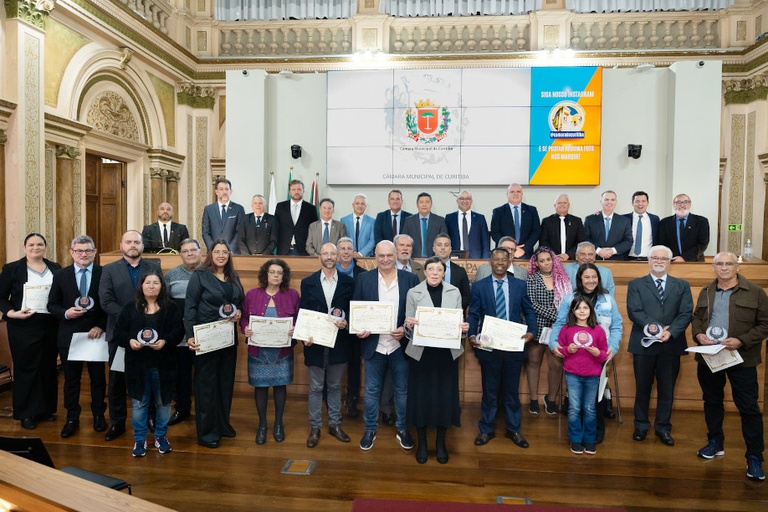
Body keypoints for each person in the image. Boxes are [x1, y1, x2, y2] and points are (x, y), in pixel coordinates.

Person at [691, 251, 768, 481]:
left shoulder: (755, 292)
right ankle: (715, 443)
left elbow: (765, 324)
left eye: (729, 264)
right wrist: (698, 335)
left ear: (737, 267)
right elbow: (697, 318)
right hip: (710, 357)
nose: (724, 267)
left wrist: (741, 340)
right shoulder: (706, 292)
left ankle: (754, 456)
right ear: (713, 267)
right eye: (719, 264)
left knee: (749, 407)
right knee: (712, 402)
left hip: (741, 358)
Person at [353, 240, 420, 451]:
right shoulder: (364, 279)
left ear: (397, 255)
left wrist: (405, 329)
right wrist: (360, 329)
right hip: (374, 345)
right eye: (381, 256)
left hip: (400, 345)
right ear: (375, 257)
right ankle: (370, 428)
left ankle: (402, 428)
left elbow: (417, 313)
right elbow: (357, 309)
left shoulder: (410, 279)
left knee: (402, 391)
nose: (385, 260)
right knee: (372, 391)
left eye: (389, 255)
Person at [468, 248, 537, 448]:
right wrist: (472, 335)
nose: (499, 262)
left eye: (503, 259)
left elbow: (529, 312)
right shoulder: (479, 286)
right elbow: (473, 314)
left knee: (511, 392)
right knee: (489, 391)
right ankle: (486, 429)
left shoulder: (520, 286)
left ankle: (514, 429)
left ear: (509, 262)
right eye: (496, 258)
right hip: (489, 347)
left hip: (514, 347)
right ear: (490, 261)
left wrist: (532, 332)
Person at [403, 256, 469, 464]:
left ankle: (441, 443)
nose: (434, 273)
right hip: (421, 354)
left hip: (446, 354)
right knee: (421, 398)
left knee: (444, 399)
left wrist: (464, 329)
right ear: (424, 272)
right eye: (430, 269)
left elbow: (459, 326)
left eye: (438, 269)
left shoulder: (454, 292)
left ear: (443, 273)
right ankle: (422, 443)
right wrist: (409, 325)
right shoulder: (413, 293)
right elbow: (406, 330)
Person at [627, 245, 692, 446]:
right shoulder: (636, 284)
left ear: (669, 262)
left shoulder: (682, 285)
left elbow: (686, 313)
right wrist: (655, 329)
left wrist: (670, 332)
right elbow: (634, 311)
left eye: (664, 258)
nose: (659, 261)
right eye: (655, 257)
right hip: (644, 345)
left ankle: (663, 428)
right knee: (643, 388)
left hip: (671, 344)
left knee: (667, 389)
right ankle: (641, 425)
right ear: (648, 260)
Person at [550, 263, 623, 443]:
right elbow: (559, 324)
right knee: (576, 400)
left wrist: (612, 348)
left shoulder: (608, 299)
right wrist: (554, 344)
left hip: (600, 355)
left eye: (594, 277)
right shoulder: (569, 299)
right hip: (575, 357)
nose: (591, 281)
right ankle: (576, 434)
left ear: (598, 279)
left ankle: (595, 432)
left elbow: (616, 326)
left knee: (596, 397)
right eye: (587, 277)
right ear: (580, 279)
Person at [99, 230, 161, 442]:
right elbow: (106, 301)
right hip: (120, 333)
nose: (132, 245)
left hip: (150, 332)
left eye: (137, 242)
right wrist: (131, 319)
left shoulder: (154, 267)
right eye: (128, 242)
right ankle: (117, 422)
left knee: (150, 377)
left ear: (142, 246)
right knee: (117, 381)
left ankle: (151, 418)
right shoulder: (108, 270)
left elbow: (161, 295)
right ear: (121, 244)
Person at [114, 269, 183, 457]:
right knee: (139, 403)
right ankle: (140, 439)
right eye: (147, 283)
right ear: (141, 286)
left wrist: (165, 341)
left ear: (162, 287)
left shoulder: (172, 308)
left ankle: (161, 436)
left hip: (164, 365)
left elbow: (178, 331)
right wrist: (129, 341)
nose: (151, 286)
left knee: (163, 403)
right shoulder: (130, 308)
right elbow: (118, 333)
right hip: (137, 365)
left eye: (155, 283)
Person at [185, 239, 244, 448]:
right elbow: (190, 307)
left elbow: (240, 302)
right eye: (217, 251)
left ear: (229, 255)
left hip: (227, 337)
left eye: (225, 252)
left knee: (224, 383)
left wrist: (238, 312)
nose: (221, 255)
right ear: (210, 254)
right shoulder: (200, 276)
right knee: (207, 386)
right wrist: (189, 335)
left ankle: (222, 424)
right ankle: (207, 432)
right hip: (206, 337)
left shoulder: (232, 276)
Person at [47, 235, 107, 438]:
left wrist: (101, 324)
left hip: (95, 335)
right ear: (72, 252)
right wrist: (66, 313)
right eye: (79, 250)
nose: (84, 254)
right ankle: (72, 418)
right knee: (71, 380)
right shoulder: (60, 275)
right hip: (69, 335)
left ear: (95, 252)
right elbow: (52, 305)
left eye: (88, 251)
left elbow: (109, 304)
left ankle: (99, 415)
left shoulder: (104, 273)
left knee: (98, 379)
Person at [0, 233, 60, 430]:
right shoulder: (13, 269)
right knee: (27, 368)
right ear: (25, 247)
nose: (36, 247)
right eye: (31, 244)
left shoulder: (55, 268)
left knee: (48, 367)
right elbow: (1, 297)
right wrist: (12, 313)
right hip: (23, 325)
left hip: (50, 324)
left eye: (40, 244)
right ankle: (27, 413)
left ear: (45, 247)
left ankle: (46, 409)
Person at [240, 259, 299, 445]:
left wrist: (294, 329)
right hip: (259, 351)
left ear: (284, 276)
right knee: (261, 387)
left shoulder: (292, 295)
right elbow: (243, 318)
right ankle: (262, 425)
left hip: (282, 351)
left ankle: (279, 424)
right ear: (265, 274)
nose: (275, 275)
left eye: (279, 272)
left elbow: (299, 318)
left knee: (280, 386)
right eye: (272, 272)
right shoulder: (252, 295)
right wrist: (246, 328)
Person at [300, 243, 354, 448]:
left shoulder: (348, 282)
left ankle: (335, 424)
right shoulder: (308, 282)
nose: (330, 257)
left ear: (339, 255)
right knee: (315, 387)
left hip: (339, 342)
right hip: (314, 343)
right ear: (319, 256)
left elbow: (352, 311)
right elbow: (303, 312)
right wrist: (304, 335)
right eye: (326, 253)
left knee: (334, 386)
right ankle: (315, 427)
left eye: (333, 253)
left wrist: (347, 321)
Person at [557, 295, 609, 455]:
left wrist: (597, 353)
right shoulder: (566, 329)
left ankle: (589, 440)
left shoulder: (598, 330)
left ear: (591, 310)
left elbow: (604, 355)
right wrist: (568, 350)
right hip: (572, 375)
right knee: (573, 408)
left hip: (593, 375)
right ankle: (575, 439)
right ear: (573, 310)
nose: (582, 310)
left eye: (585, 307)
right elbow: (561, 349)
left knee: (590, 408)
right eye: (578, 307)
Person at [525, 247, 572, 415]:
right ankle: (532, 399)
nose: (546, 263)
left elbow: (568, 304)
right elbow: (532, 304)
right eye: (542, 260)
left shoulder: (563, 279)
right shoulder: (532, 279)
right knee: (533, 362)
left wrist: (558, 317)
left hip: (558, 329)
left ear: (554, 260)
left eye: (548, 259)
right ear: (536, 263)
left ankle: (550, 399)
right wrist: (554, 313)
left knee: (556, 364)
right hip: (537, 326)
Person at [163, 238, 203, 425]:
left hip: (204, 333)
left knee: (203, 374)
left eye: (193, 250)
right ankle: (182, 408)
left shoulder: (209, 273)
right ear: (180, 254)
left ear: (200, 251)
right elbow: (164, 304)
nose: (189, 254)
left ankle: (205, 411)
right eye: (185, 251)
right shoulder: (171, 275)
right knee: (181, 374)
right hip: (180, 335)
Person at [336, 237, 365, 417]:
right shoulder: (329, 272)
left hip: (355, 328)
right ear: (338, 252)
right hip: (336, 327)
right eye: (343, 249)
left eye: (349, 249)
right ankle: (332, 400)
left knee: (354, 365)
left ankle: (352, 399)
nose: (346, 252)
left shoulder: (362, 274)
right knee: (335, 365)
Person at [490, 183, 540, 259]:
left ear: (522, 194)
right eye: (512, 192)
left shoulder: (531, 210)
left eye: (518, 192)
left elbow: (536, 231)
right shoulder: (498, 211)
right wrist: (509, 248)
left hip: (525, 253)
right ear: (507, 194)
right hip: (504, 253)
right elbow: (495, 233)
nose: (515, 194)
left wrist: (524, 249)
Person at [658, 193, 709, 262]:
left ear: (690, 204)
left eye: (685, 202)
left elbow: (702, 244)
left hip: (695, 262)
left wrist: (684, 258)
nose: (682, 205)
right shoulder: (664, 223)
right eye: (678, 202)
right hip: (672, 262)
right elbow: (661, 245)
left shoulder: (701, 221)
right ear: (673, 205)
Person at [583, 190, 633, 260]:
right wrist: (598, 250)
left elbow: (628, 241)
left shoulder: (624, 221)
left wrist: (612, 251)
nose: (609, 202)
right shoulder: (590, 219)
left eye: (612, 200)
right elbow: (585, 239)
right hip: (594, 259)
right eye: (606, 199)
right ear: (601, 201)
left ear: (616, 202)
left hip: (617, 261)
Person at [201, 178, 246, 253]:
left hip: (233, 252)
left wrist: (229, 249)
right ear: (216, 192)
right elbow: (205, 232)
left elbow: (240, 232)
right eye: (221, 189)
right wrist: (214, 249)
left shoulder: (239, 209)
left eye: (226, 189)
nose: (224, 192)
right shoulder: (208, 209)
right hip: (213, 253)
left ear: (230, 191)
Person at [274, 179, 318, 255]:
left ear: (303, 191)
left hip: (303, 250)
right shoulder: (281, 207)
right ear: (289, 192)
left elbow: (314, 229)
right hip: (284, 249)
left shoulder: (311, 208)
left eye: (299, 189)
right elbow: (276, 226)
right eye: (293, 189)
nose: (296, 192)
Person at [538, 194, 585, 262]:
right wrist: (555, 255)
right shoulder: (547, 221)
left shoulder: (577, 221)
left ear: (568, 205)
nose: (562, 204)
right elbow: (543, 242)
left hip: (572, 260)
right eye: (559, 203)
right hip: (552, 260)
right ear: (555, 205)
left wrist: (568, 254)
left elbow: (581, 242)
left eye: (564, 203)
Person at [445, 191, 490, 259]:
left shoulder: (480, 218)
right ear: (457, 201)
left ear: (471, 201)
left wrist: (485, 260)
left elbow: (485, 242)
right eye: (461, 198)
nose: (464, 201)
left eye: (468, 198)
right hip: (454, 257)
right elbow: (446, 240)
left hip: (476, 258)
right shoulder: (449, 218)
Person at [400, 192, 447, 258]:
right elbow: (404, 240)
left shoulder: (439, 220)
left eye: (427, 202)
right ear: (417, 204)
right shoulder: (409, 221)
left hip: (434, 259)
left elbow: (444, 240)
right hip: (414, 259)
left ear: (431, 204)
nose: (424, 205)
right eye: (421, 202)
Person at [432, 233, 471, 309]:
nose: (443, 248)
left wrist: (453, 307)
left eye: (446, 245)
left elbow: (466, 297)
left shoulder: (460, 271)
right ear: (433, 248)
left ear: (450, 249)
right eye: (439, 245)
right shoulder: (426, 270)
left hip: (454, 313)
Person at [621, 191, 659, 261]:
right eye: (637, 201)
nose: (640, 204)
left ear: (648, 203)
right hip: (627, 259)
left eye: (643, 201)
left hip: (648, 260)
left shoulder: (655, 219)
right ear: (632, 203)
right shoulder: (624, 219)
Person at [340, 193, 375, 258]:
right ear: (353, 205)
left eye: (362, 204)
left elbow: (372, 241)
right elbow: (342, 239)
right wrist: (351, 252)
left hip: (366, 257)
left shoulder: (372, 221)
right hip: (348, 256)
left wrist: (360, 254)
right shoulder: (344, 220)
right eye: (357, 203)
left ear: (366, 206)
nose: (360, 206)